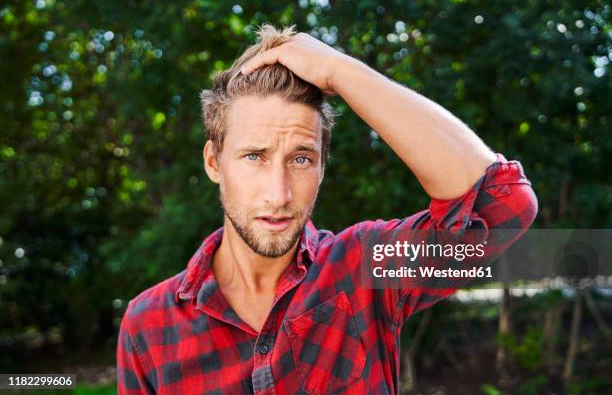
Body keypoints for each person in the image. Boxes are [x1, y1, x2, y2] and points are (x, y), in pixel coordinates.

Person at [116, 24, 537, 394]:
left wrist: (340, 70)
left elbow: (503, 207)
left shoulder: (361, 268)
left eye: (301, 159)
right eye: (254, 157)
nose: (279, 195)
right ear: (213, 162)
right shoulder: (148, 324)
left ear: (321, 166)